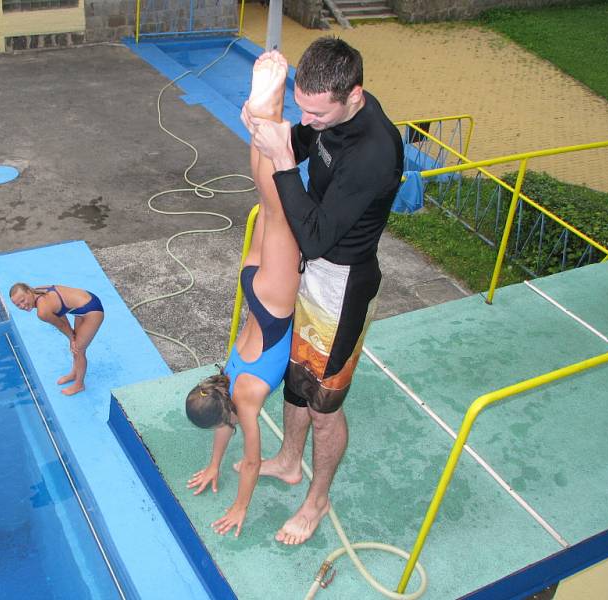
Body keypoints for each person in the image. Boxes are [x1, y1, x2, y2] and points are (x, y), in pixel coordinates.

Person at [241, 36, 404, 545]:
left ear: (353, 95)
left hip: (342, 286)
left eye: (317, 112)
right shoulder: (333, 115)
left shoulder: (375, 152)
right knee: (295, 380)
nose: (308, 121)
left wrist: (284, 161)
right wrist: (282, 133)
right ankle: (291, 462)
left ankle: (317, 499)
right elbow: (309, 143)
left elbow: (314, 234)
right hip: (314, 265)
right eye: (302, 108)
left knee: (323, 405)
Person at [185, 50, 301, 538]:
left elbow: (251, 462)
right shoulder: (222, 379)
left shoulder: (246, 402)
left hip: (272, 307)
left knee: (276, 205)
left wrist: (239, 509)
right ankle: (261, 118)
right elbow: (221, 426)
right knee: (266, 201)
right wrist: (213, 465)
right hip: (253, 294)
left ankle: (269, 115)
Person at [9, 283, 105, 396]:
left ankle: (79, 385)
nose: (22, 306)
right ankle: (74, 373)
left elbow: (61, 325)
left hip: (92, 311)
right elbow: (60, 313)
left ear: (29, 292)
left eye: (22, 300)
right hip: (84, 303)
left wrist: (72, 338)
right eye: (18, 305)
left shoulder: (42, 311)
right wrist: (72, 337)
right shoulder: (38, 290)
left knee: (78, 350)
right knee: (75, 346)